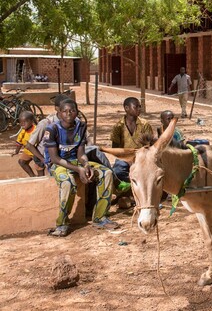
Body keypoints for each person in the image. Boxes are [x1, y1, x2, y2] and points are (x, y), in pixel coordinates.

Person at [45, 99, 117, 237]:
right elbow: (54, 158)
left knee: (106, 173)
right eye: (64, 111)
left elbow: (81, 153)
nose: (69, 114)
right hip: (59, 164)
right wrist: (78, 170)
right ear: (59, 113)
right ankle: (62, 224)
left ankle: (100, 218)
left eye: (72, 110)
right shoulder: (52, 129)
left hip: (75, 162)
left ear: (77, 112)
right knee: (67, 183)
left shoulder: (81, 126)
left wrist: (86, 165)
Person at [110, 97, 153, 190]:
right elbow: (115, 149)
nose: (139, 109)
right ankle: (131, 189)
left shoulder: (145, 124)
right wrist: (127, 159)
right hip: (124, 158)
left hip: (142, 157)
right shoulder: (118, 126)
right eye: (136, 106)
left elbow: (150, 146)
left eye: (140, 107)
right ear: (126, 108)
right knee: (117, 172)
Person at [12, 111, 44, 177]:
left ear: (31, 121)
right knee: (21, 162)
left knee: (39, 168)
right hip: (27, 152)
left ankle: (41, 179)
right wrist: (16, 151)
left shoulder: (36, 130)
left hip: (37, 153)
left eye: (25, 122)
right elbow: (19, 142)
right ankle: (32, 176)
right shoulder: (23, 131)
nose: (22, 124)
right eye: (20, 122)